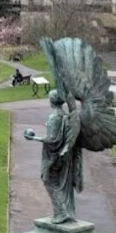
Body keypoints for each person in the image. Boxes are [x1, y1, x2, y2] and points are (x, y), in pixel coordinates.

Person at [24, 89, 82, 223]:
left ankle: (61, 212)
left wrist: (33, 138)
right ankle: (64, 211)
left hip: (53, 157)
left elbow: (52, 139)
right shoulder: (66, 116)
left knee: (48, 181)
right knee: (59, 183)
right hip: (62, 156)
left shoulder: (54, 117)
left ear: (52, 101)